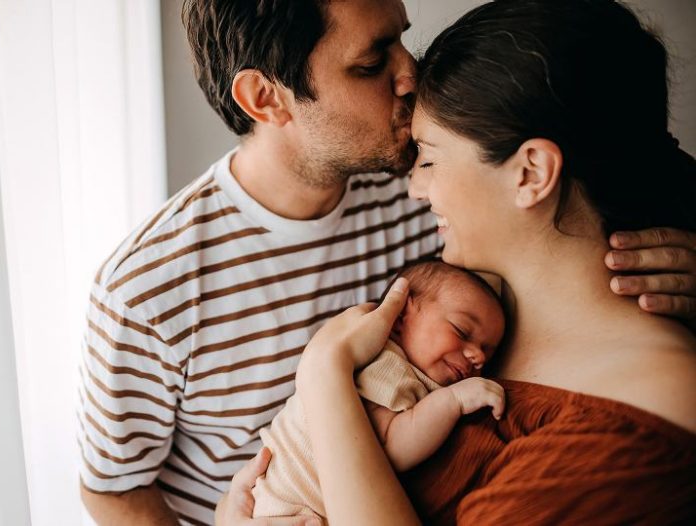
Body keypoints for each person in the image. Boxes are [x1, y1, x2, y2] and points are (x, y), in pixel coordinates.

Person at [78, 1, 696, 524]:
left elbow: (604, 144)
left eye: (403, 39)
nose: (410, 73)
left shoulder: (424, 200)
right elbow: (114, 486)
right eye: (371, 62)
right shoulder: (145, 289)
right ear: (265, 97)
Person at [253, 262, 506, 523]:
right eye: (462, 331)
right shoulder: (387, 365)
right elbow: (391, 450)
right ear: (398, 318)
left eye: (487, 352)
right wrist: (453, 400)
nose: (477, 356)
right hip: (289, 510)